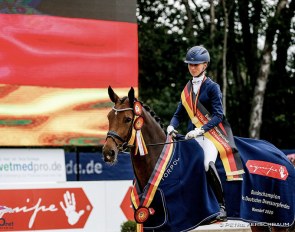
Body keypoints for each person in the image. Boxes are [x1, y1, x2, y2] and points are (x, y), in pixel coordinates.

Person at [167, 45, 244, 222]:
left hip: (211, 134)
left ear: (205, 65)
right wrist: (171, 126)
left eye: (196, 64)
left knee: (206, 163)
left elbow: (219, 115)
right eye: (190, 65)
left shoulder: (212, 87)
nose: (192, 68)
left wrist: (202, 129)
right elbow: (178, 114)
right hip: (191, 135)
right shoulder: (186, 90)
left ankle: (222, 206)